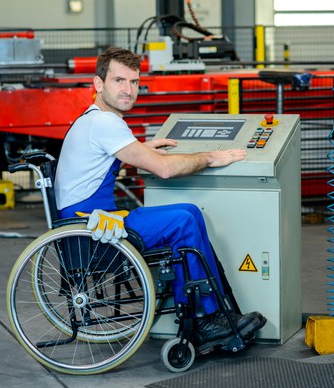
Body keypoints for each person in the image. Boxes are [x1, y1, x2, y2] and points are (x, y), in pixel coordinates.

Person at [54, 47, 266, 349]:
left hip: (92, 224)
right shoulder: (105, 123)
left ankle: (216, 309)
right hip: (94, 233)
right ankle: (202, 319)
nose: (128, 90)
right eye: (119, 81)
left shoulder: (94, 120)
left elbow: (105, 156)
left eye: (134, 82)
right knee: (181, 222)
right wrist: (210, 157)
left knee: (190, 211)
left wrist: (141, 148)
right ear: (98, 84)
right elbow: (165, 170)